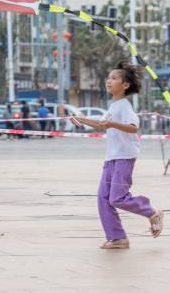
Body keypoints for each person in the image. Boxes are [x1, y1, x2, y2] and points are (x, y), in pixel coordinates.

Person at [70, 61, 164, 249]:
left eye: (114, 78)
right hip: (111, 159)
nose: (108, 81)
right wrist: (82, 119)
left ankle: (151, 212)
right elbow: (102, 124)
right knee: (103, 198)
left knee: (117, 198)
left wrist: (111, 124)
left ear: (125, 85)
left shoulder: (124, 106)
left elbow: (133, 127)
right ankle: (118, 238)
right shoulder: (114, 106)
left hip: (124, 158)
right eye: (108, 78)